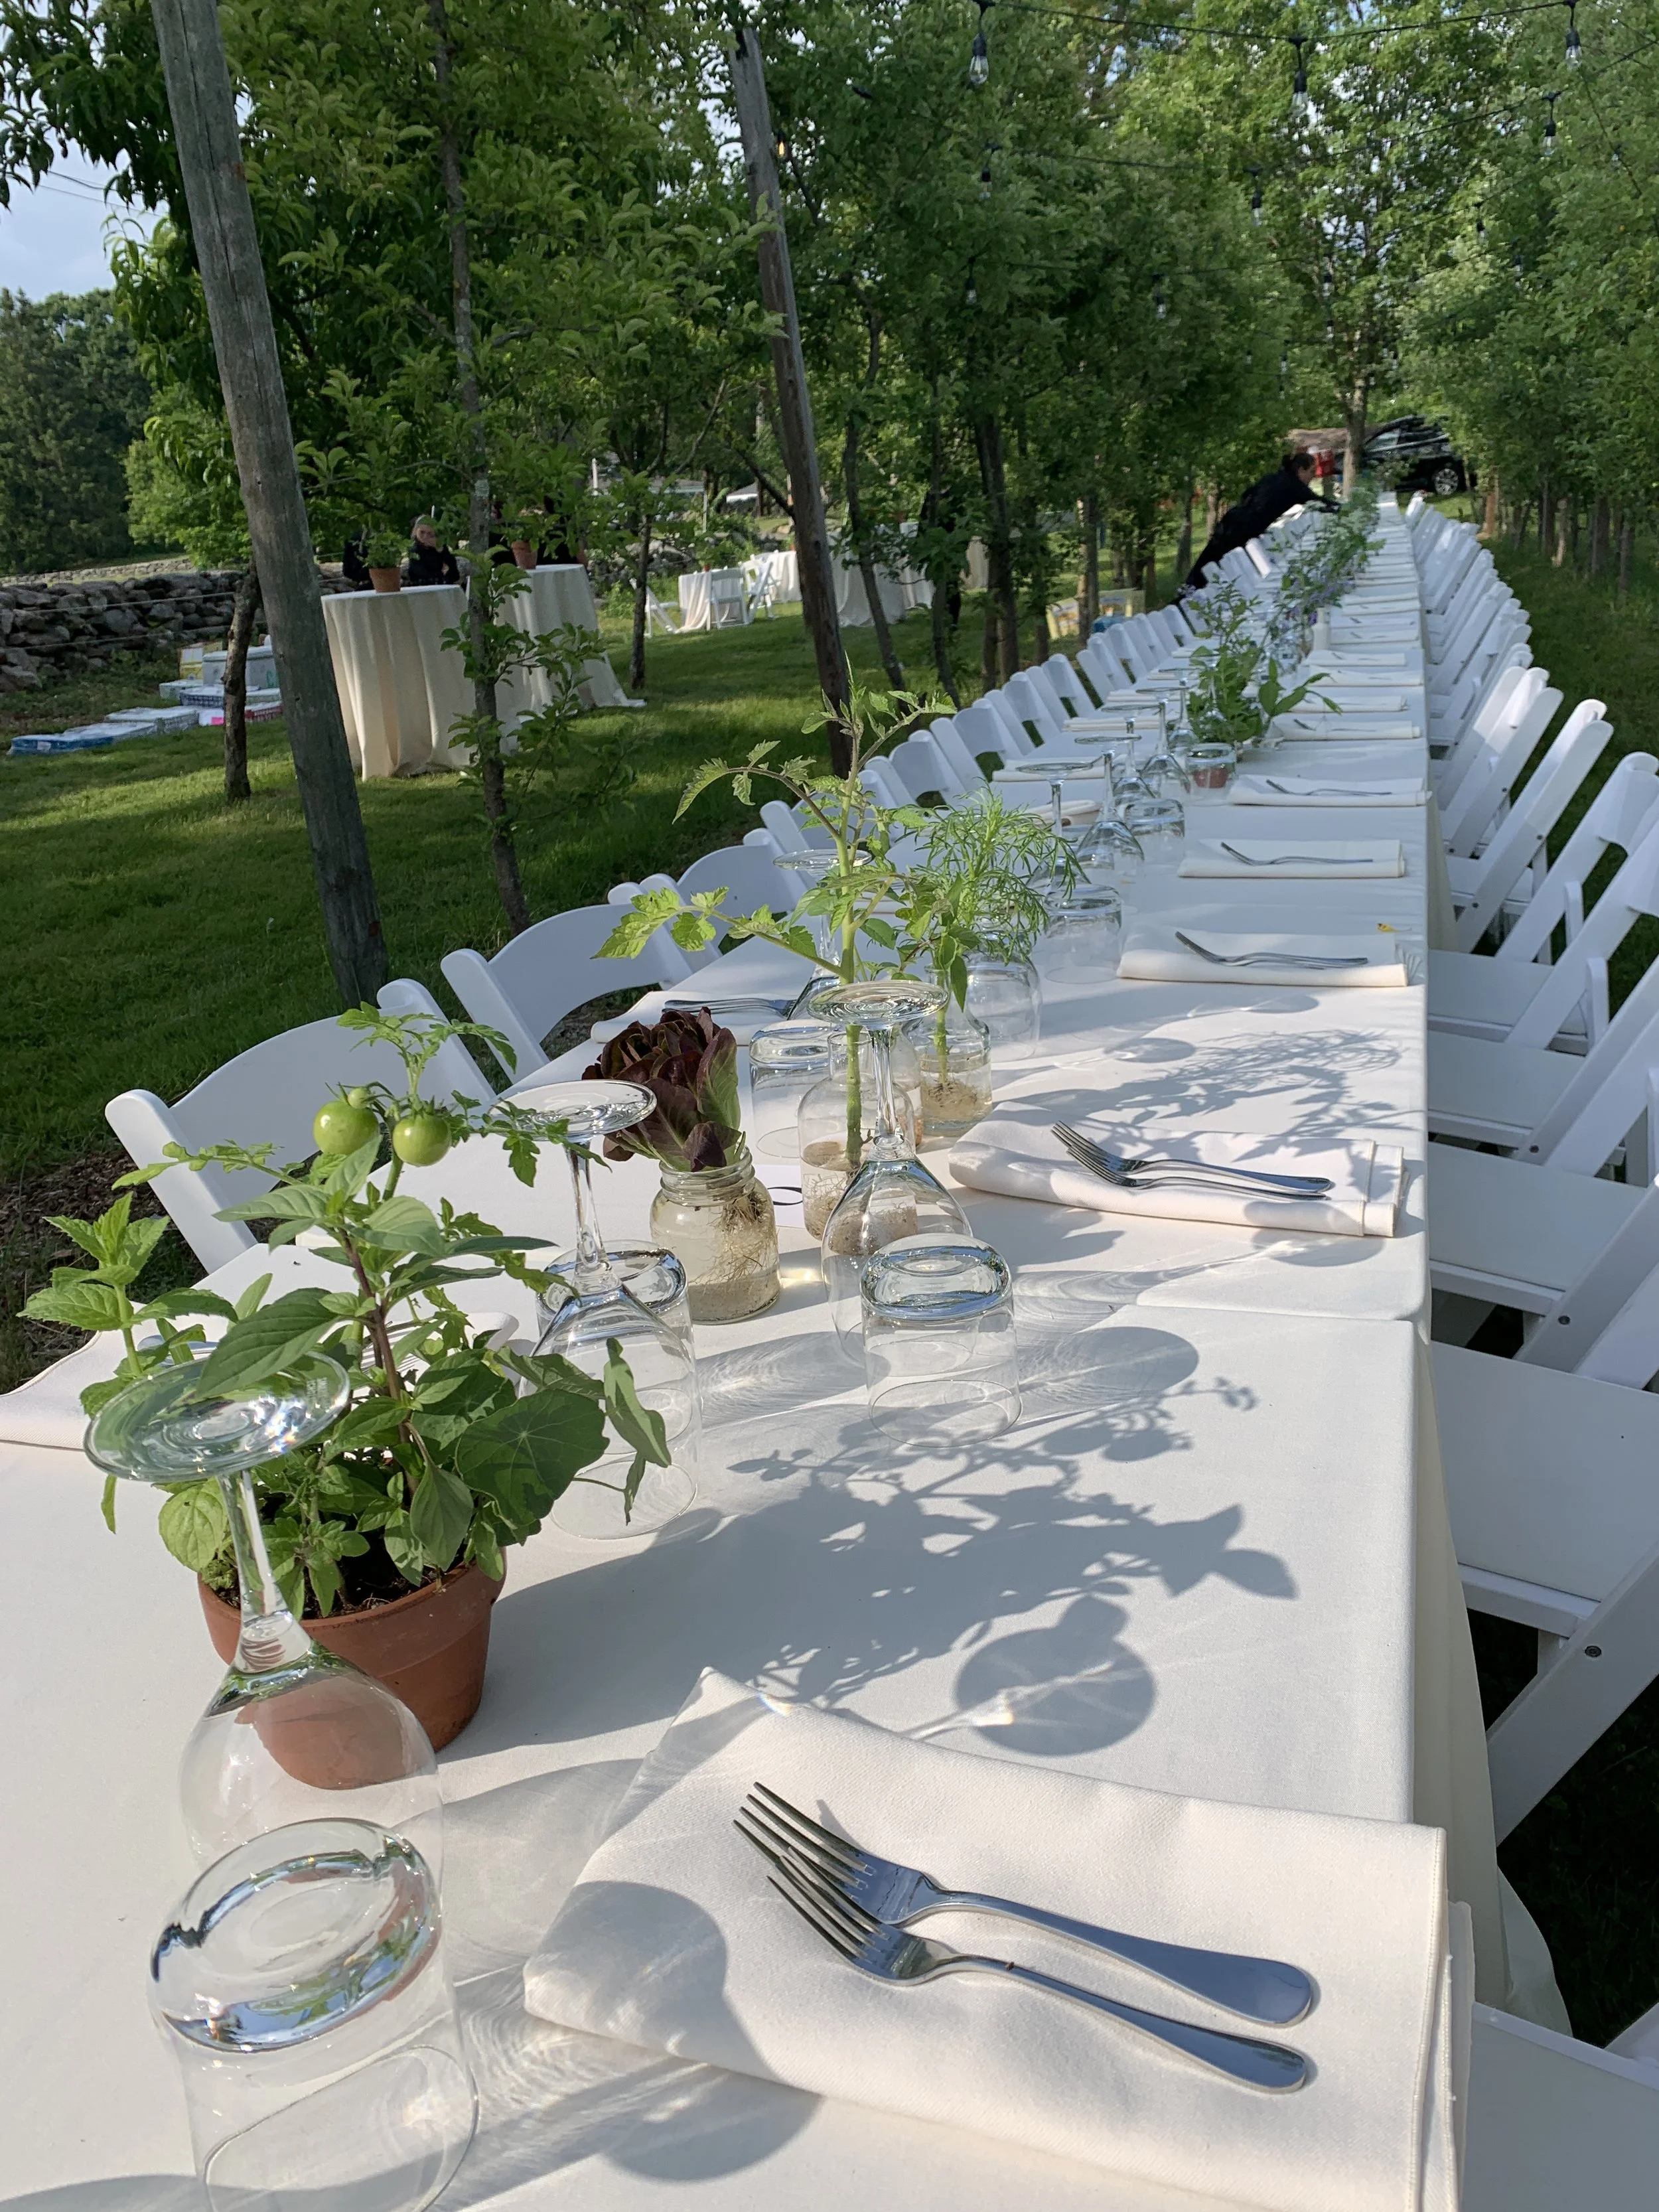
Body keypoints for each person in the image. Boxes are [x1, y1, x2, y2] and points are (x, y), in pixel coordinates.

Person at [1184, 451, 1338, 591]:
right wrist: (1343, 509)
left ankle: (1185, 593)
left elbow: (1247, 494)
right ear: (1301, 470)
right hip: (1244, 529)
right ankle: (1190, 597)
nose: (1313, 477)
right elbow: (1320, 503)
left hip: (1231, 521)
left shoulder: (1275, 478)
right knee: (1215, 566)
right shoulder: (1295, 487)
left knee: (1207, 562)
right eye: (1311, 472)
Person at [403, 516, 461, 587]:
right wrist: (442, 574)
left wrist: (441, 551)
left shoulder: (440, 548)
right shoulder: (414, 550)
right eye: (422, 532)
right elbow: (422, 574)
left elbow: (455, 575)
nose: (425, 537)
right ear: (416, 531)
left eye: (430, 534)